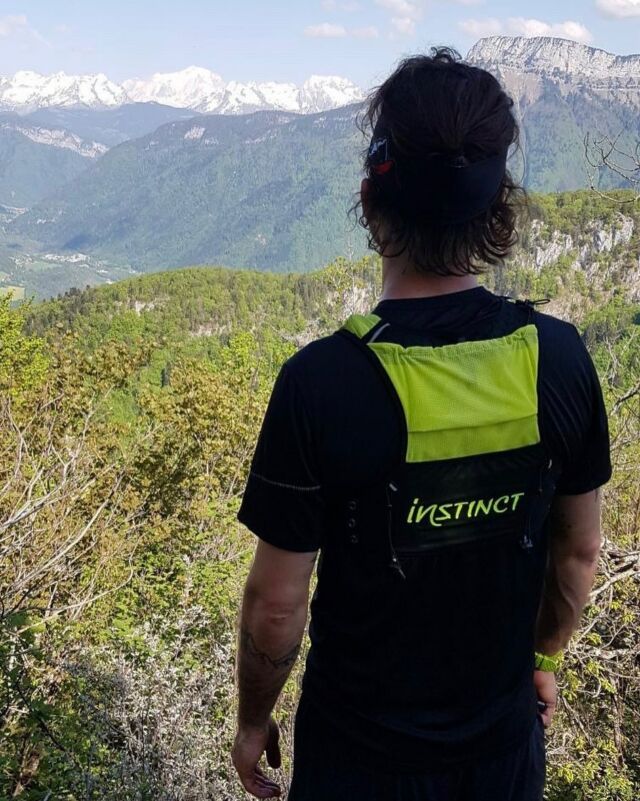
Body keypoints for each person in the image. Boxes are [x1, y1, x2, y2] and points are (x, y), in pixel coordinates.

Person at [231, 48, 611, 801]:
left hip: (358, 762)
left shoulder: (322, 382)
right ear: (496, 207)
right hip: (501, 755)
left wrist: (251, 720)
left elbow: (277, 605)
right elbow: (579, 552)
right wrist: (545, 658)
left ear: (372, 200)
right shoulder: (559, 359)